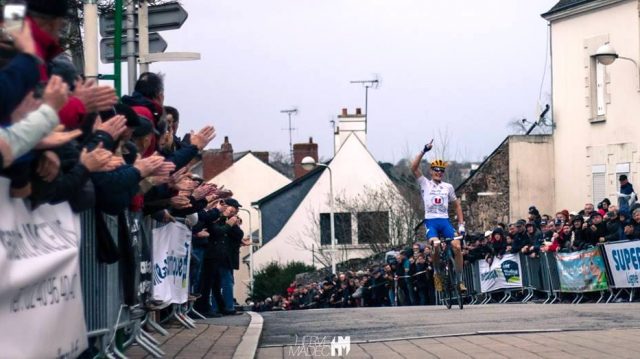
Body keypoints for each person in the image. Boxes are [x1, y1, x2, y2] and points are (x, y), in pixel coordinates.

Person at [410, 140, 466, 293]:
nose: (438, 172)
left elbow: (457, 205)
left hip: (445, 222)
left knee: (457, 246)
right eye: (436, 169)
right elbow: (413, 167)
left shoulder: (448, 187)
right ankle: (437, 273)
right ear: (431, 171)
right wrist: (424, 150)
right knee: (435, 245)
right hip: (432, 222)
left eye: (441, 170)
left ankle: (460, 280)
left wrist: (461, 225)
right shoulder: (425, 183)